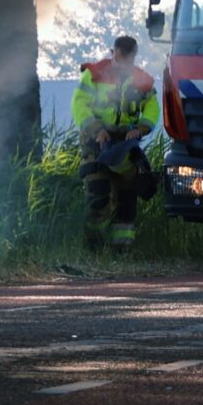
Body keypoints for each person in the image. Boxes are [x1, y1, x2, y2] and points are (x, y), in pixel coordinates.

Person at [73, 35, 159, 250]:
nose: (121, 65)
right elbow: (79, 105)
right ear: (113, 53)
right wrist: (97, 130)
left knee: (127, 197)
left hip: (125, 144)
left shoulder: (143, 80)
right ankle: (92, 248)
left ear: (133, 57)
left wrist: (140, 129)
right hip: (96, 140)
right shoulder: (93, 75)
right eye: (118, 59)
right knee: (98, 192)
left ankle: (121, 250)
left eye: (126, 61)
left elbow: (152, 108)